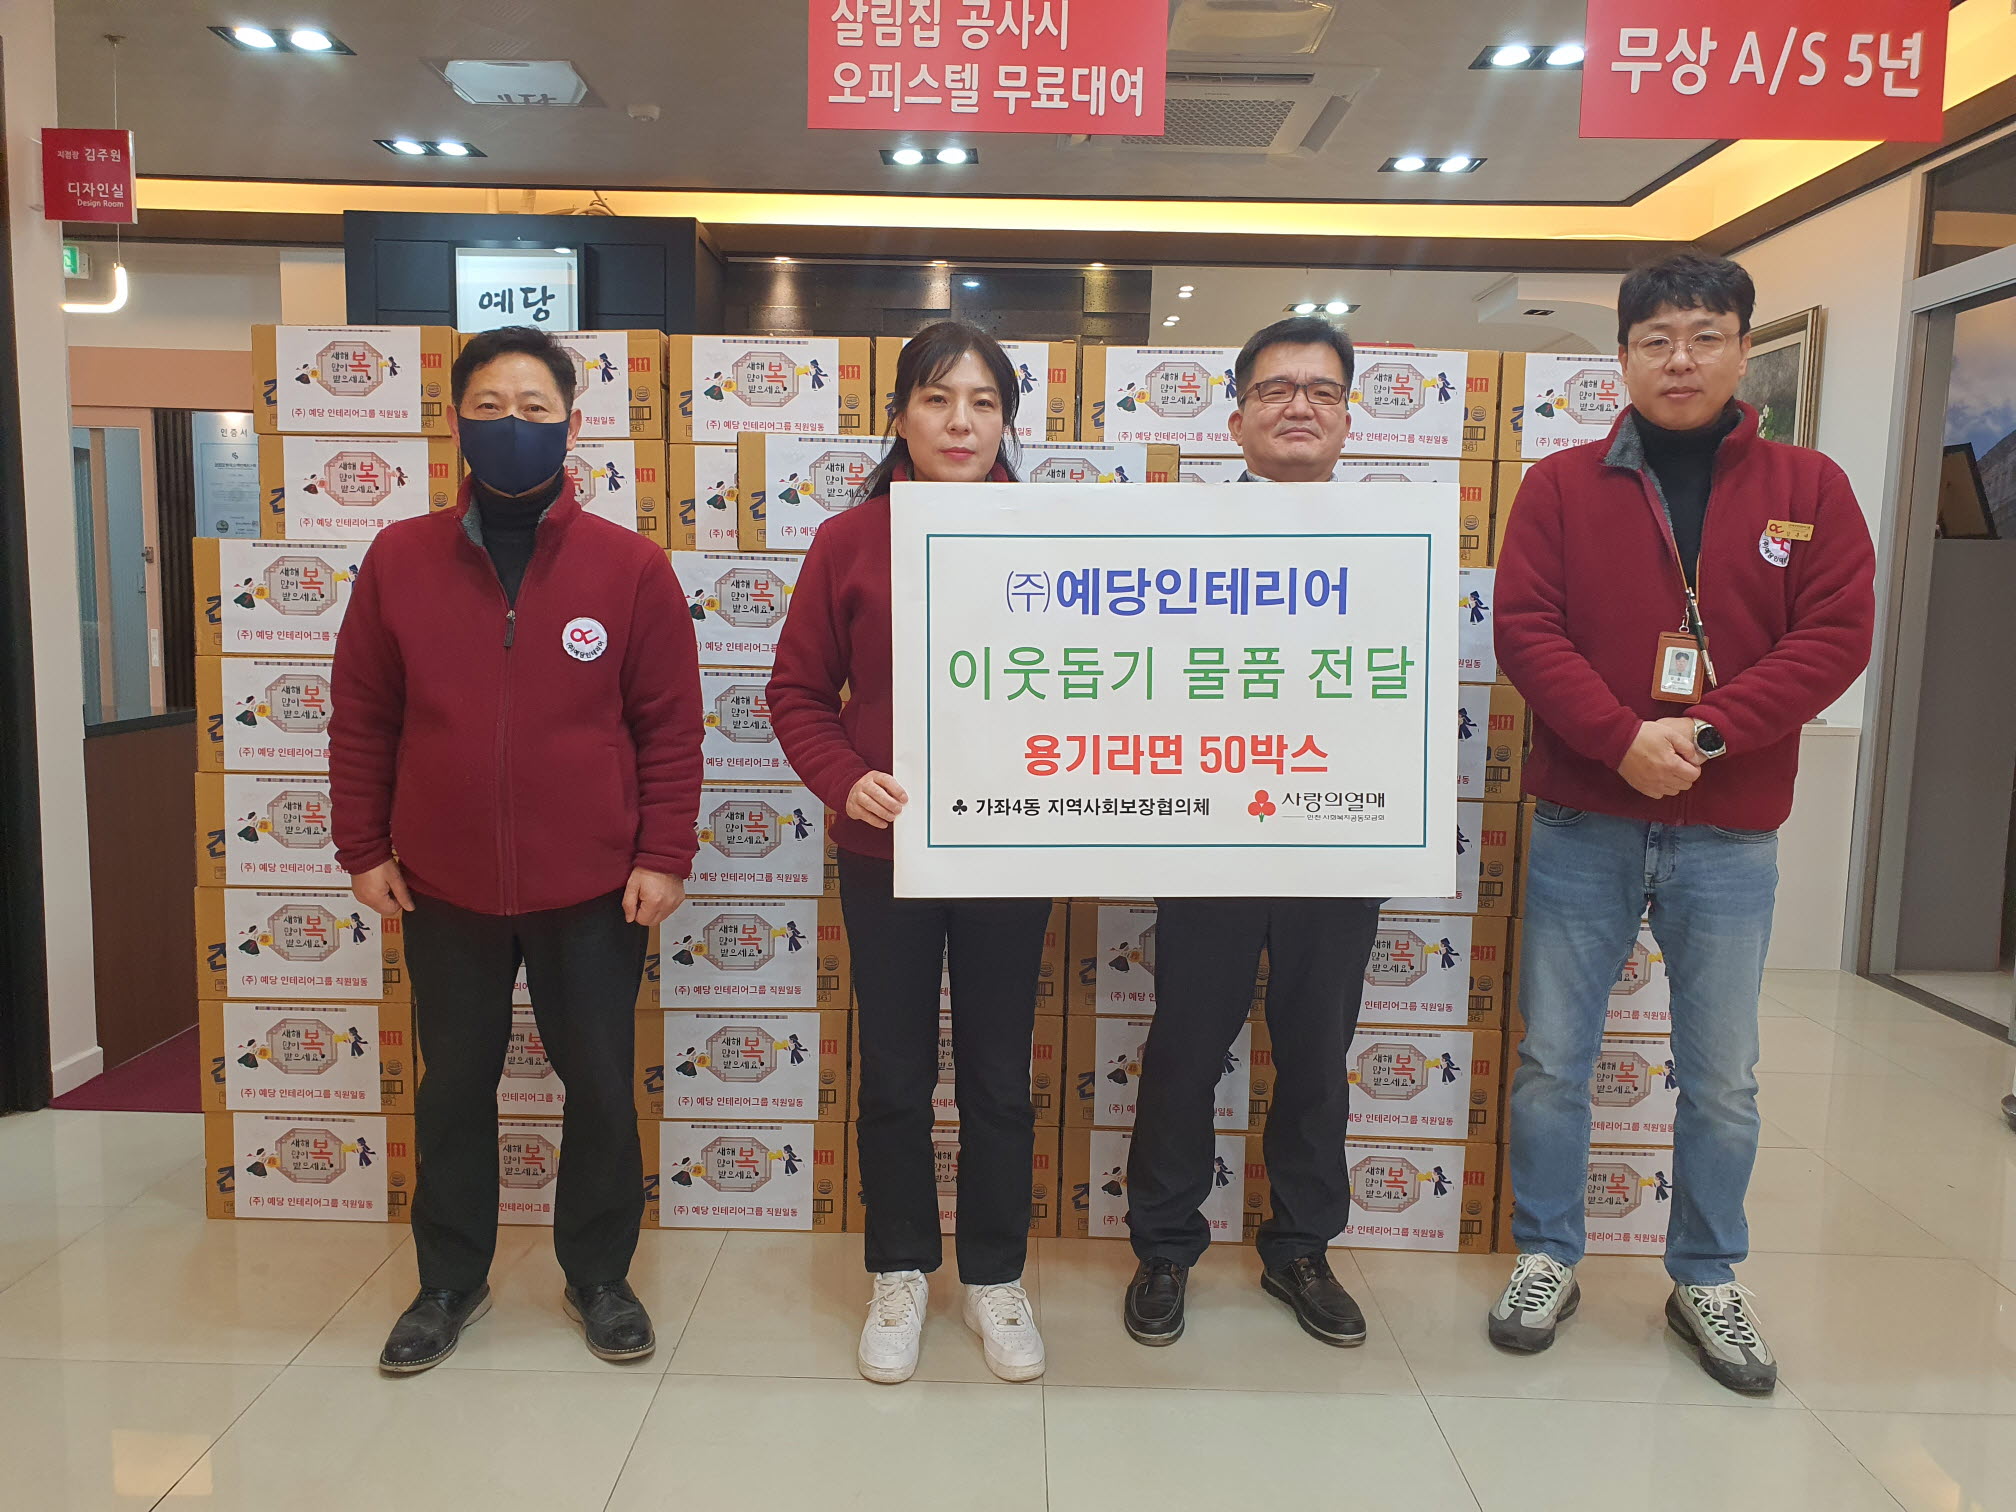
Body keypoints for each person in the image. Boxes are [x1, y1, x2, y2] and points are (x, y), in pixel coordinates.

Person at [1491, 253, 1874, 1395]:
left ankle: (1705, 1273)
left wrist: (1703, 734)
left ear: (1743, 350)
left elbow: (1835, 637)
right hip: (1585, 817)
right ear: (1621, 358)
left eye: (1706, 336)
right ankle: (1548, 1255)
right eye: (1656, 339)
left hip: (1730, 830)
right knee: (1553, 1059)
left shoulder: (1811, 486)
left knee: (1724, 1076)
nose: (1681, 359)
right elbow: (1527, 629)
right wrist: (1620, 739)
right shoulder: (1560, 486)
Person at [330, 325, 704, 1375]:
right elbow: (362, 716)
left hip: (593, 886)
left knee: (600, 1085)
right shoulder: (399, 558)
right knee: (453, 1086)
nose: (512, 427)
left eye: (535, 409)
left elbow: (670, 726)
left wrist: (663, 853)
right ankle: (449, 1279)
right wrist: (362, 846)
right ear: (455, 423)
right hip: (441, 882)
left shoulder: (629, 567)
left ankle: (600, 1276)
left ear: (572, 427)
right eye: (490, 408)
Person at [768, 321, 1051, 1387]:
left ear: (1007, 420)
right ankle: (898, 1269)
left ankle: (994, 1277)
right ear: (898, 416)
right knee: (893, 1069)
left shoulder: (1051, 538)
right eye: (937, 399)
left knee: (999, 1075)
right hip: (885, 846)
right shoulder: (849, 541)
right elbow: (797, 693)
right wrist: (846, 777)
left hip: (1011, 847)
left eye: (983, 402)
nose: (960, 422)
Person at [1122, 316, 1385, 1350]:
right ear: (1236, 421)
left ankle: (1301, 1247)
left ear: (1348, 419)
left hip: (1340, 835)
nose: (1300, 407)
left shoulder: (1390, 547)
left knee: (1316, 1057)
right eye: (1276, 389)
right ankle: (1164, 1247)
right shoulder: (1177, 540)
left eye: (1322, 391)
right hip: (1210, 836)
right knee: (1185, 1051)